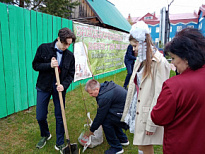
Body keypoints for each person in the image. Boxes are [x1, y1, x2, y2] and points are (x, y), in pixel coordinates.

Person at [151, 28, 205, 154]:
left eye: (174, 58)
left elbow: (158, 117)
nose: (173, 63)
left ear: (186, 57)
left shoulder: (174, 86)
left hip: (182, 146)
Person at [121, 21, 170, 154]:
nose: (134, 49)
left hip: (148, 113)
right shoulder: (141, 60)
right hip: (138, 109)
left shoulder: (159, 63)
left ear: (143, 43)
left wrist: (152, 123)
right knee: (141, 145)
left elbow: (160, 96)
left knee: (145, 146)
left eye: (135, 45)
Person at [32, 28, 76, 153]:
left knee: (60, 115)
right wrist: (49, 65)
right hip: (43, 86)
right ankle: (45, 134)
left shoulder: (70, 56)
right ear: (58, 39)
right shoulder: (44, 48)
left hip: (59, 88)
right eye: (65, 43)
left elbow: (71, 74)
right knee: (40, 116)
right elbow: (35, 65)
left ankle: (60, 142)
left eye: (69, 44)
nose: (66, 47)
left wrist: (64, 85)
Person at [85, 79, 129, 154]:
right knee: (110, 117)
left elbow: (100, 116)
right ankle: (123, 139)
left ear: (97, 89)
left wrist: (92, 130)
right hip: (123, 110)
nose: (90, 95)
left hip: (126, 115)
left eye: (91, 93)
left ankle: (116, 147)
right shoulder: (105, 87)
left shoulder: (104, 97)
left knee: (105, 121)